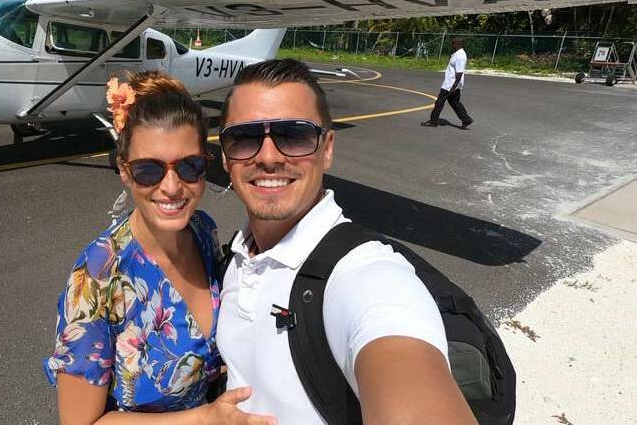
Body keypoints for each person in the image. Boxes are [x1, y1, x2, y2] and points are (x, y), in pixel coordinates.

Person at [216, 59, 476, 424]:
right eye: (243, 138)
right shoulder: (237, 255)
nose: (269, 156)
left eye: (295, 135)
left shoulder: (367, 277)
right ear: (225, 158)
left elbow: (391, 335)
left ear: (327, 148)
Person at [44, 71, 276, 425]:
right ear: (123, 170)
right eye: (148, 170)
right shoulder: (97, 277)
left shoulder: (201, 231)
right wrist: (206, 419)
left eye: (190, 167)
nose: (172, 187)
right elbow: (81, 422)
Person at [421, 38, 474, 128]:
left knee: (439, 102)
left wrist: (453, 87)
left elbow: (460, 73)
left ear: (458, 44)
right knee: (454, 102)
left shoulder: (460, 56)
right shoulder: (457, 54)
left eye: (453, 43)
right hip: (452, 83)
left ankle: (433, 121)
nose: (452, 45)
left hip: (450, 84)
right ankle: (466, 119)